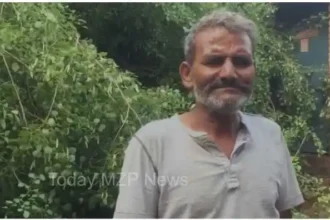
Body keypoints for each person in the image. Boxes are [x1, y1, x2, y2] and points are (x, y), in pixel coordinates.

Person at [113, 9, 304, 218]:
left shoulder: (270, 135)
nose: (229, 73)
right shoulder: (151, 145)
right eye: (214, 61)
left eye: (241, 62)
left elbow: (284, 213)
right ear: (187, 74)